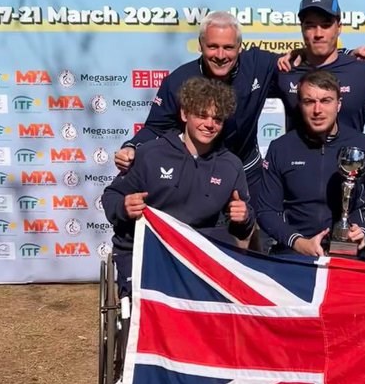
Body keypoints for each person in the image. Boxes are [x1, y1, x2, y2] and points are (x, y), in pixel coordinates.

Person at [103, 77, 255, 297]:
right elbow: (111, 196)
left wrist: (244, 217)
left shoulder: (230, 165)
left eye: (217, 119)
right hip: (147, 251)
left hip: (199, 255)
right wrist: (124, 207)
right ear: (185, 115)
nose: (209, 124)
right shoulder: (150, 154)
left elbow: (241, 226)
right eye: (202, 115)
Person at [113, 11, 280, 207]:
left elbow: (303, 72)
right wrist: (131, 147)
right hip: (199, 174)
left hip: (248, 172)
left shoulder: (259, 64)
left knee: (251, 232)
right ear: (200, 45)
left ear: (239, 48)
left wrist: (299, 55)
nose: (220, 55)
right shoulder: (178, 81)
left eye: (228, 47)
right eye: (212, 47)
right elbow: (155, 128)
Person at [257, 71, 365, 258]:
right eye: (309, 102)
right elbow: (266, 211)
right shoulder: (280, 148)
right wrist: (298, 242)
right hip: (295, 254)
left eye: (326, 101)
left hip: (351, 253)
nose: (318, 110)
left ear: (338, 104)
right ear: (300, 105)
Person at [276, 0, 365, 131]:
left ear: (339, 28)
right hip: (296, 153)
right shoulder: (286, 68)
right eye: (310, 26)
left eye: (326, 25)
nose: (318, 34)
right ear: (302, 29)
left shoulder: (363, 71)